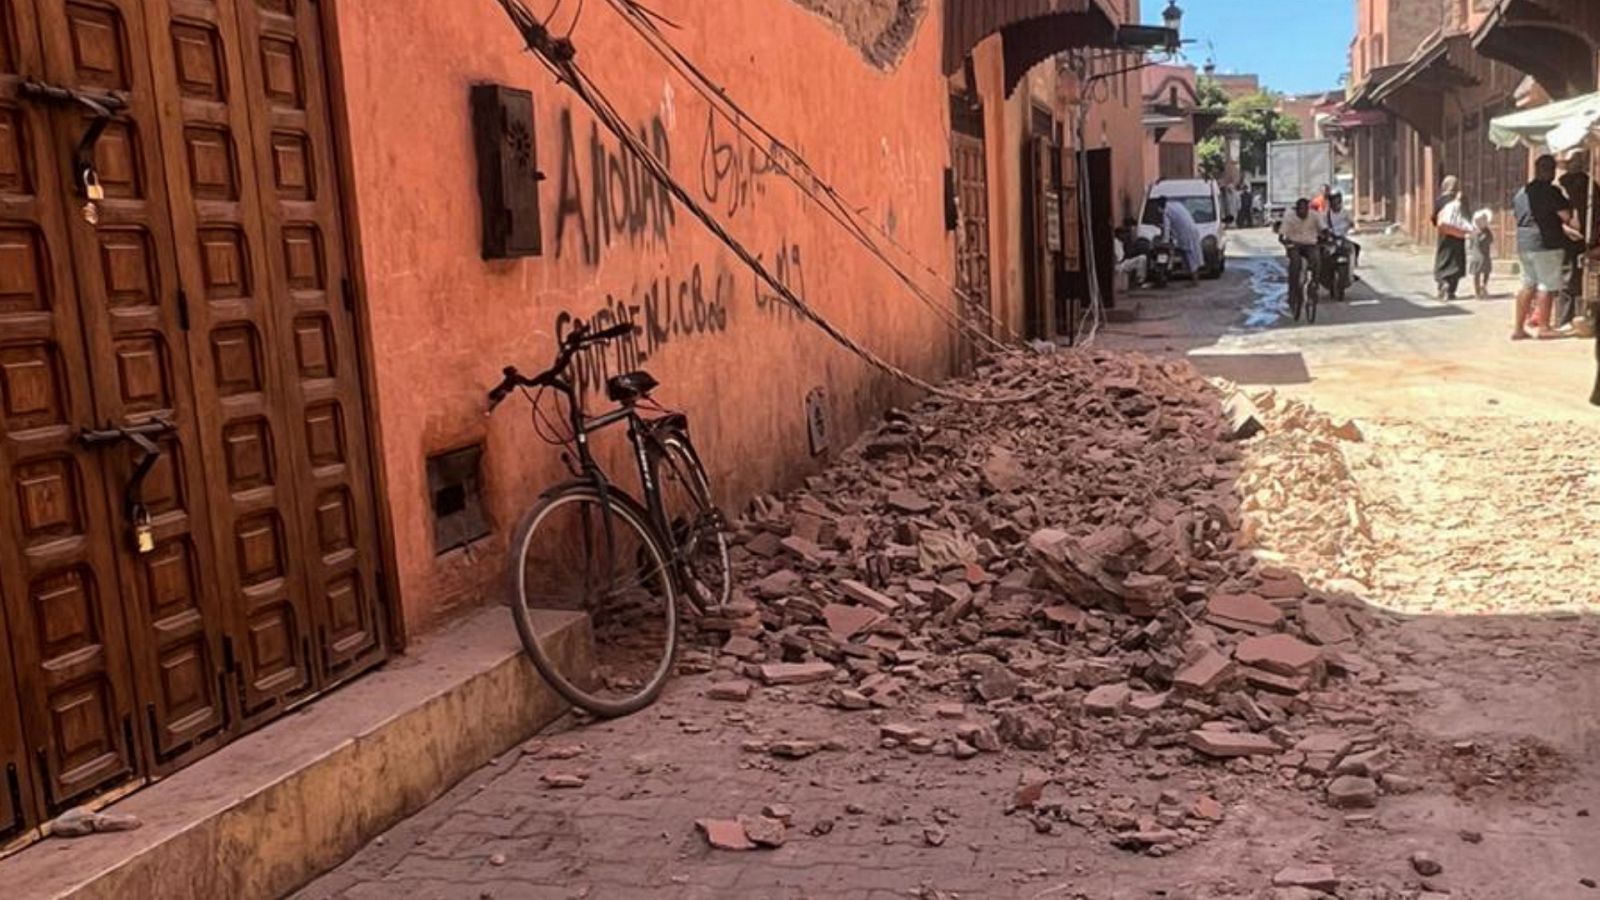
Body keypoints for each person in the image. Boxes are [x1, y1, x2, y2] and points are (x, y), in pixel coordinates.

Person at [1511, 154, 1574, 340]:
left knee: (1527, 284)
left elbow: (1517, 214)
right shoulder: (1551, 191)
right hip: (1546, 243)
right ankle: (1544, 327)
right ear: (1550, 171)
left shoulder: (1521, 192)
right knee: (1546, 284)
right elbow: (1566, 216)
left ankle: (1518, 328)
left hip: (1524, 243)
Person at [1556, 154, 1597, 330]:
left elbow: (1595, 210)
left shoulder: (1590, 186)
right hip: (1568, 237)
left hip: (1586, 237)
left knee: (1578, 277)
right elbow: (1557, 212)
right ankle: (1565, 318)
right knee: (1568, 277)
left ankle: (1576, 316)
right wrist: (1567, 229)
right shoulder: (1561, 187)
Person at [1278, 197, 1324, 313]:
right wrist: (1286, 243)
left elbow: (1323, 228)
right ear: (1296, 210)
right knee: (1295, 263)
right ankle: (1293, 293)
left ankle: (1314, 285)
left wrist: (1326, 236)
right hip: (1294, 245)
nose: (1303, 212)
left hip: (1310, 245)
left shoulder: (1314, 215)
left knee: (1317, 260)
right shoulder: (1289, 217)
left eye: (1305, 209)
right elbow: (1282, 236)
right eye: (1300, 210)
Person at [1432, 176, 1472, 301]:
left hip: (1444, 235)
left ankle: (1443, 282)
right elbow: (1467, 216)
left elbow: (1434, 218)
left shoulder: (1440, 200)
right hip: (1458, 235)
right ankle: (1451, 291)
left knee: (1443, 258)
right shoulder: (1461, 199)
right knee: (1457, 260)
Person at [1156, 196, 1203, 286]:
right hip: (1192, 230)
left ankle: (1195, 281)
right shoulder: (1176, 204)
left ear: (1160, 205)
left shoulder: (1166, 212)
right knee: (1192, 255)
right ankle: (1194, 279)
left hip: (1185, 234)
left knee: (1190, 257)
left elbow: (1167, 229)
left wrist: (1164, 242)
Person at [1325, 192, 1359, 268]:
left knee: (1355, 247)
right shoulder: (1326, 215)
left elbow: (1352, 223)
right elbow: (1323, 227)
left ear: (1340, 202)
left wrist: (1353, 228)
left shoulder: (1346, 213)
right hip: (1331, 239)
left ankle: (1352, 268)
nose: (1335, 205)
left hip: (1343, 238)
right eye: (1333, 203)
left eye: (1337, 202)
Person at [1468, 208, 1494, 300]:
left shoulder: (1486, 231)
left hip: (1484, 256)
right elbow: (1477, 243)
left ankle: (1483, 286)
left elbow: (1490, 240)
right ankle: (1477, 291)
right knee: (1477, 274)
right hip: (1478, 256)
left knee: (1485, 272)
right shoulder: (1476, 232)